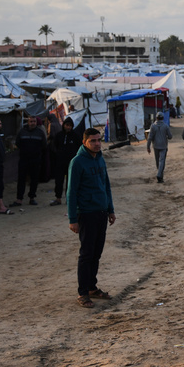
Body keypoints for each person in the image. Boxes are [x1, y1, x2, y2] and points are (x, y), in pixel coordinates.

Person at [67, 128, 116, 309]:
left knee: (96, 253)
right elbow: (71, 192)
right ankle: (83, 293)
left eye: (98, 140)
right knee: (86, 254)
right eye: (93, 141)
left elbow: (106, 186)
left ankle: (92, 287)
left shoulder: (100, 159)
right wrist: (73, 219)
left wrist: (110, 209)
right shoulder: (77, 162)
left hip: (101, 212)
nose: (97, 144)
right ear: (84, 142)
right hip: (86, 214)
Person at [13, 115, 47, 206]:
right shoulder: (22, 132)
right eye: (31, 121)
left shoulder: (40, 133)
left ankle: (32, 197)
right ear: (28, 122)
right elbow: (18, 143)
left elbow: (44, 145)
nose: (32, 123)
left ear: (36, 122)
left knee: (34, 179)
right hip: (24, 159)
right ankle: (19, 198)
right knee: (21, 179)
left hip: (35, 160)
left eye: (34, 122)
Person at [49, 117, 81, 206]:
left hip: (71, 163)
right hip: (60, 162)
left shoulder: (75, 136)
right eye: (67, 125)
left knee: (70, 182)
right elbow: (54, 146)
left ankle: (69, 199)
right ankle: (58, 198)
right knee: (59, 181)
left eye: (70, 126)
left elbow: (80, 147)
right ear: (64, 125)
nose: (68, 127)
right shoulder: (59, 135)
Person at [146, 114, 172, 183]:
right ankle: (159, 175)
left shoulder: (153, 126)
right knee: (162, 161)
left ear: (156, 118)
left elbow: (150, 137)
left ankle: (160, 177)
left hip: (156, 146)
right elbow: (170, 136)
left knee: (158, 162)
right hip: (163, 146)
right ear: (163, 118)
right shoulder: (166, 126)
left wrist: (148, 147)